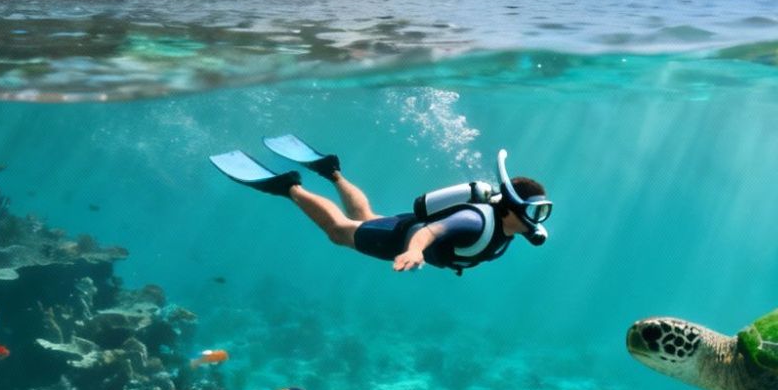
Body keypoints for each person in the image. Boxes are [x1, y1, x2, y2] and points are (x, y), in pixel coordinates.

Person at [211, 137, 551, 275]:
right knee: (340, 232)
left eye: (542, 212)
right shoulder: (474, 222)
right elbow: (434, 231)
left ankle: (331, 171)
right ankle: (291, 187)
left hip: (403, 230)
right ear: (509, 208)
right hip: (401, 241)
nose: (537, 220)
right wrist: (415, 252)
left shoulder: (515, 226)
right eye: (534, 211)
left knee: (366, 218)